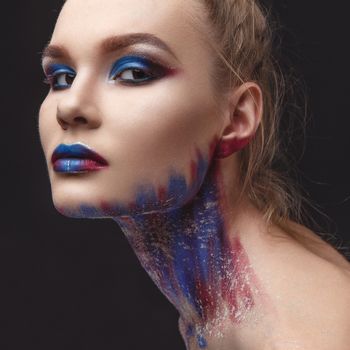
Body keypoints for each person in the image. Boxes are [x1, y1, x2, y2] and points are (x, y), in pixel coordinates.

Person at [38, 0, 350, 348]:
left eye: (134, 72)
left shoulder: (297, 336)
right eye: (62, 78)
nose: (68, 107)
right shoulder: (218, 300)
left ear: (236, 118)